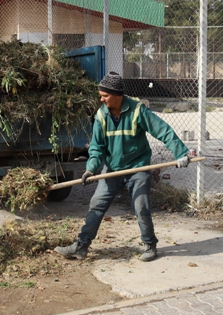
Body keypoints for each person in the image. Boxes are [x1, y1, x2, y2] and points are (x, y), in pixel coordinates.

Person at [55, 71, 190, 262]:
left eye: (105, 95)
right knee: (96, 204)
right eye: (100, 95)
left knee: (141, 205)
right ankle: (81, 246)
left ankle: (150, 245)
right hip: (112, 169)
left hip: (137, 168)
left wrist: (180, 153)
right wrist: (91, 168)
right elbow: (97, 147)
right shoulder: (101, 116)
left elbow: (163, 131)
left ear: (117, 95)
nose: (101, 99)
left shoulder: (137, 110)